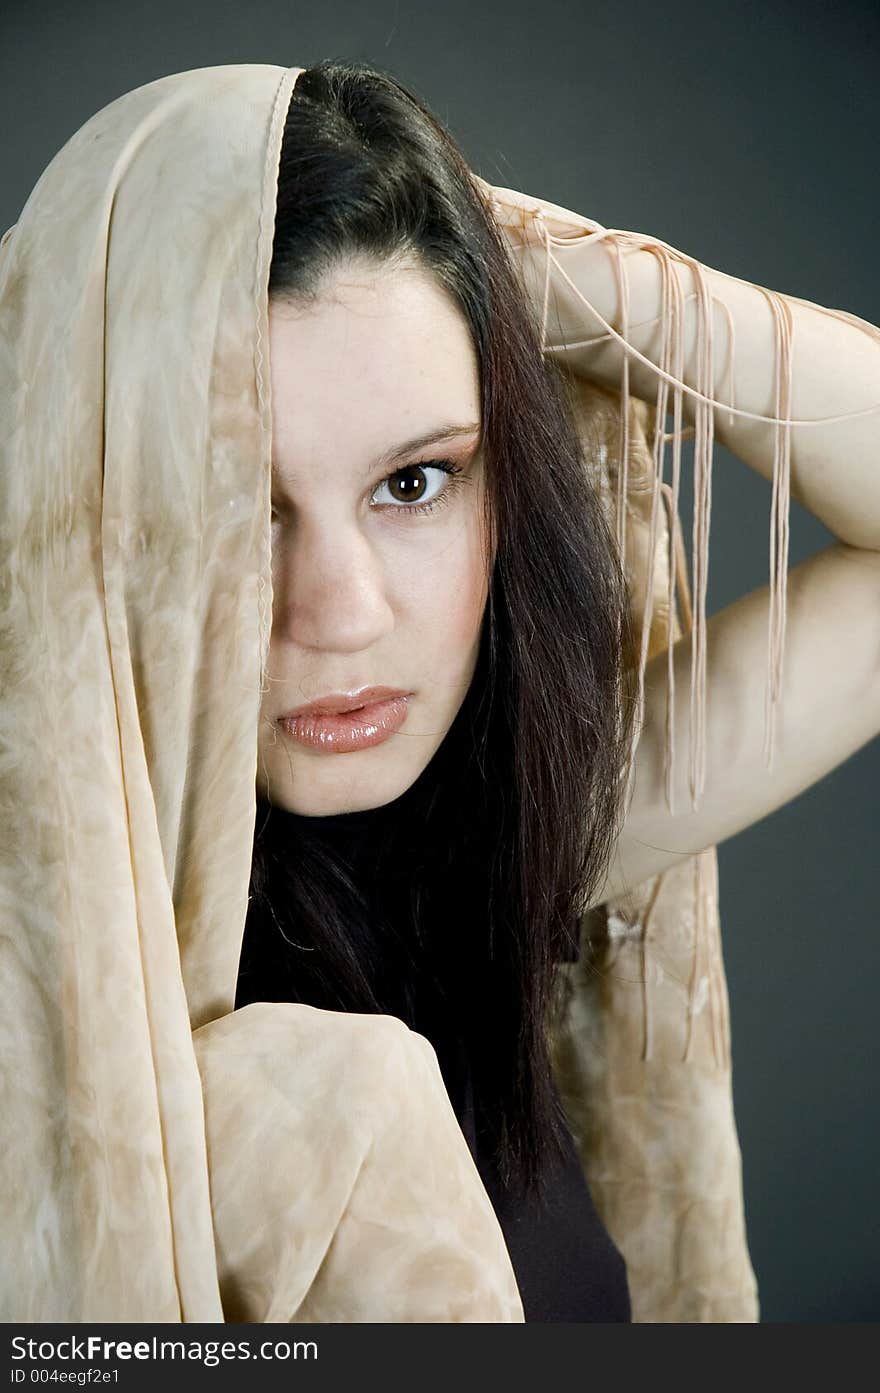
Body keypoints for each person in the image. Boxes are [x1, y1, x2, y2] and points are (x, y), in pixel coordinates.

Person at [0, 59, 877, 1324]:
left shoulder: (468, 848)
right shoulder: (49, 1025)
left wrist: (544, 271)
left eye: (413, 482)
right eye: (235, 509)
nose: (342, 612)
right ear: (81, 522)